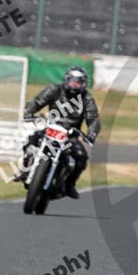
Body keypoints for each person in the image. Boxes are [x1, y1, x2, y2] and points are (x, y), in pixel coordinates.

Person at [16, 67, 101, 199]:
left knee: (81, 157)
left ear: (83, 84)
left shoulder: (87, 98)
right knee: (31, 140)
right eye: (72, 81)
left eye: (78, 82)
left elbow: (93, 118)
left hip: (70, 134)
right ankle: (25, 169)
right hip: (50, 128)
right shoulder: (54, 89)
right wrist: (29, 111)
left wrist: (92, 133)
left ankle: (69, 185)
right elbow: (37, 101)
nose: (74, 85)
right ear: (66, 80)